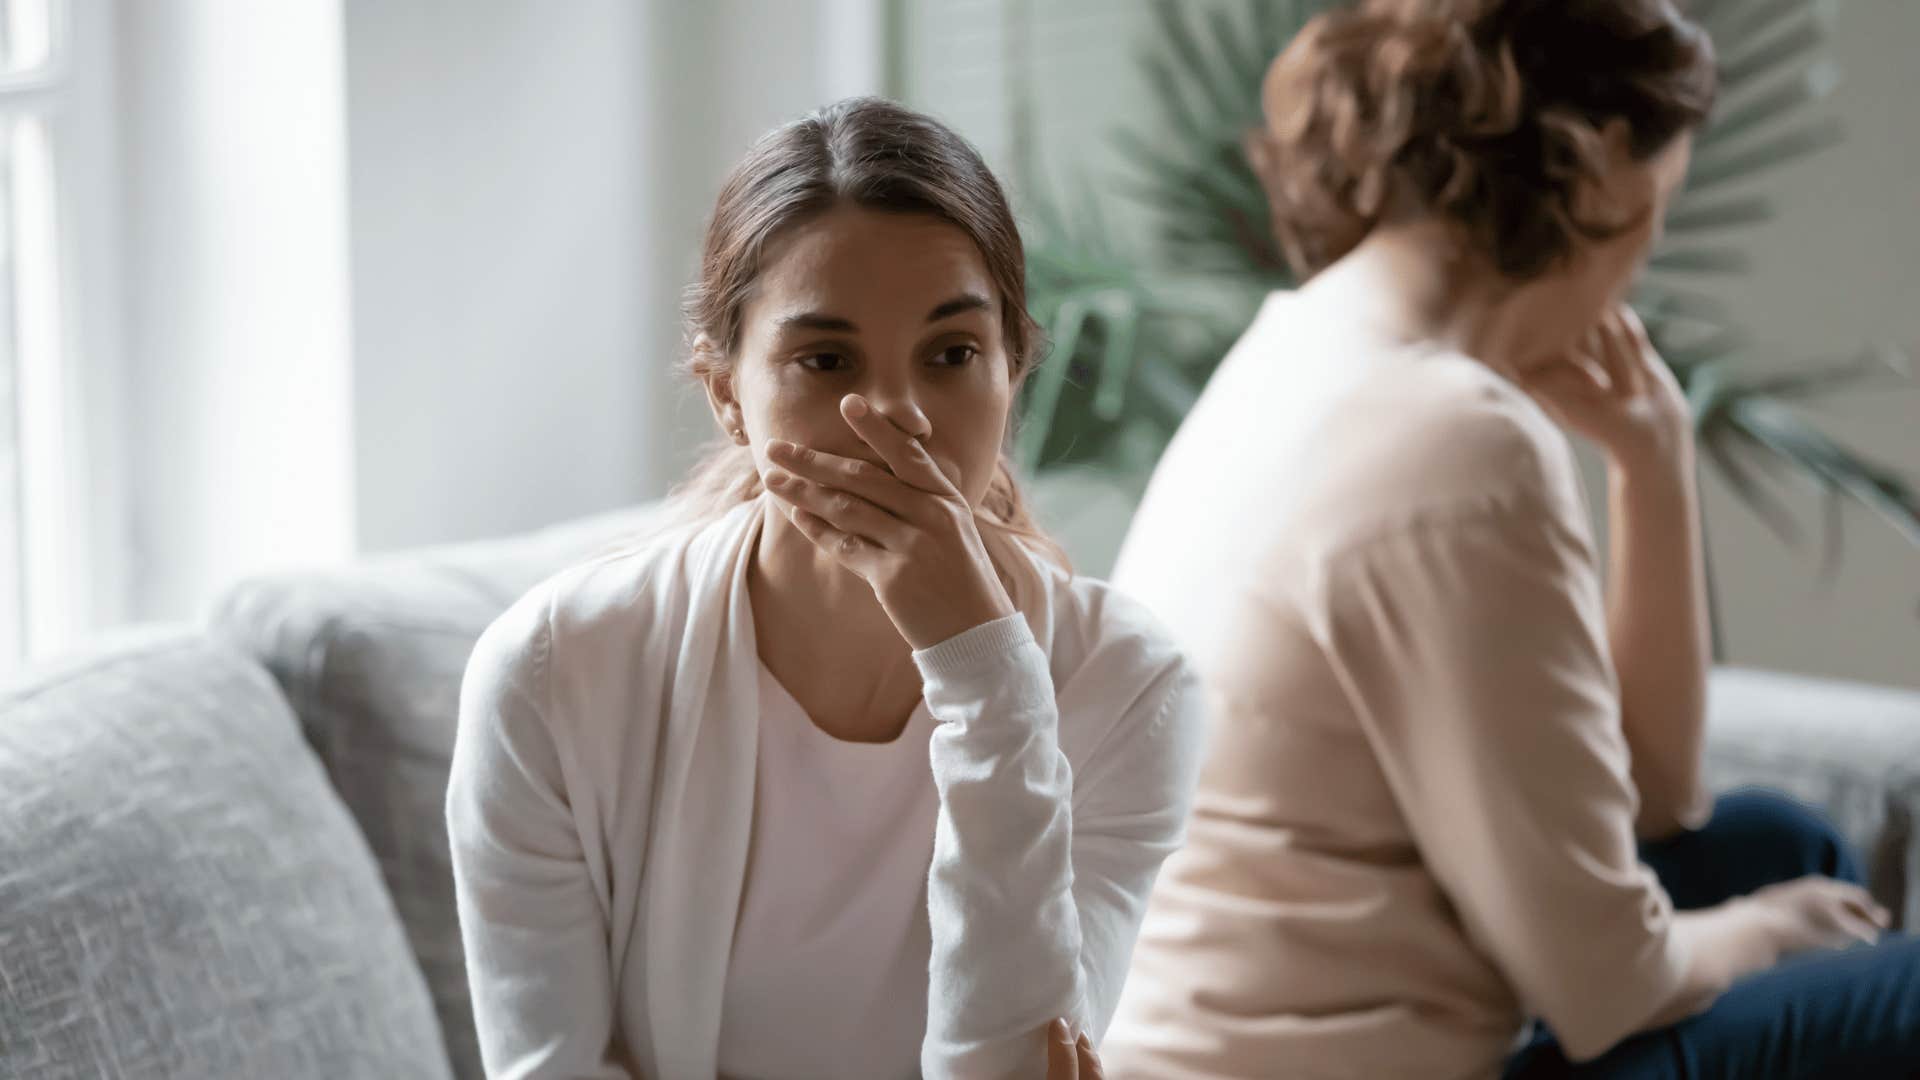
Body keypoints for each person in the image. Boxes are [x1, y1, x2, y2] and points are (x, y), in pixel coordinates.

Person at [1101, 2, 1920, 1077]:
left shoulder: (1296, 346)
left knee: (1776, 844)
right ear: (1601, 180)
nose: (1642, 259)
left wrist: (1651, 466)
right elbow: (1605, 986)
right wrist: (1770, 931)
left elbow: (1659, 801)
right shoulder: (1455, 441)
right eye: (1657, 213)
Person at [446, 96, 1205, 1080]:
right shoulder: (553, 675)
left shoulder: (1127, 689)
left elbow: (1011, 1068)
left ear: (1013, 365)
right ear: (727, 394)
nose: (897, 416)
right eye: (825, 360)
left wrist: (989, 678)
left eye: (952, 354)